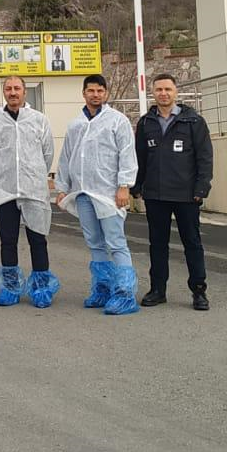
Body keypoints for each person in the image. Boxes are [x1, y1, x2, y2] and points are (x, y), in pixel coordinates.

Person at [54, 74, 140, 316]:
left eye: (100, 91)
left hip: (108, 193)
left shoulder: (117, 121)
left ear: (106, 93)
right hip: (82, 193)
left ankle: (124, 293)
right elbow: (66, 157)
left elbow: (127, 154)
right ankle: (102, 288)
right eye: (90, 91)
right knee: (95, 243)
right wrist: (63, 187)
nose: (95, 95)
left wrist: (124, 185)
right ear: (84, 93)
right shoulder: (76, 124)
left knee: (116, 242)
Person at [131, 74, 214, 311]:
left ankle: (199, 291)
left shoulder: (193, 121)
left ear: (176, 92)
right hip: (156, 195)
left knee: (192, 243)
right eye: (159, 89)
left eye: (168, 89)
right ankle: (158, 290)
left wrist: (201, 187)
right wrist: (137, 187)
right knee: (157, 245)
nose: (163, 93)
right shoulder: (146, 123)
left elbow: (204, 157)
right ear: (153, 93)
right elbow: (140, 158)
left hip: (187, 195)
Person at [0, 76, 59, 308]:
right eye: (8, 89)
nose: (13, 92)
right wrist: (4, 174)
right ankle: (10, 288)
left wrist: (32, 174)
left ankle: (42, 288)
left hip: (33, 190)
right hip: (4, 190)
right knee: (8, 240)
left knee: (38, 240)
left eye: (17, 88)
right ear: (3, 93)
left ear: (25, 92)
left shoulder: (39, 120)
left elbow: (47, 153)